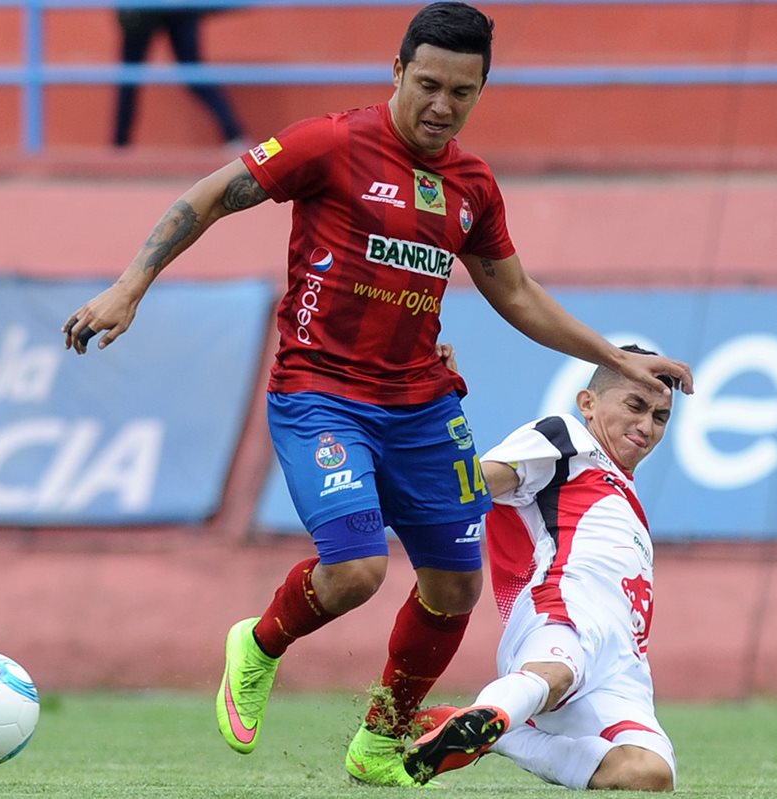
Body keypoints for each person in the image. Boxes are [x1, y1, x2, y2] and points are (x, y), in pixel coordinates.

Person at [62, 2, 693, 787]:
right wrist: (131, 286)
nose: (441, 105)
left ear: (481, 90)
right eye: (427, 84)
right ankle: (258, 645)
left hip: (423, 407)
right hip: (321, 394)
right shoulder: (330, 143)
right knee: (358, 571)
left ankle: (380, 738)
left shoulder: (471, 186)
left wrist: (617, 359)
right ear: (397, 72)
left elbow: (517, 293)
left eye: (461, 93)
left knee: (456, 585)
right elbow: (212, 195)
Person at [402, 344, 678, 791]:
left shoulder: (626, 498)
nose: (646, 426)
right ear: (587, 402)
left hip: (620, 665)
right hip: (559, 612)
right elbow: (471, 484)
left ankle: (497, 734)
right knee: (555, 673)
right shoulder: (567, 439)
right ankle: (496, 715)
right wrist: (438, 408)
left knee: (649, 774)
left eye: (661, 416)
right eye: (635, 405)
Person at [113, 6, 245, 148]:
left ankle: (119, 146)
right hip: (151, 9)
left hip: (172, 8)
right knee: (130, 77)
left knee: (193, 75)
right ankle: (119, 146)